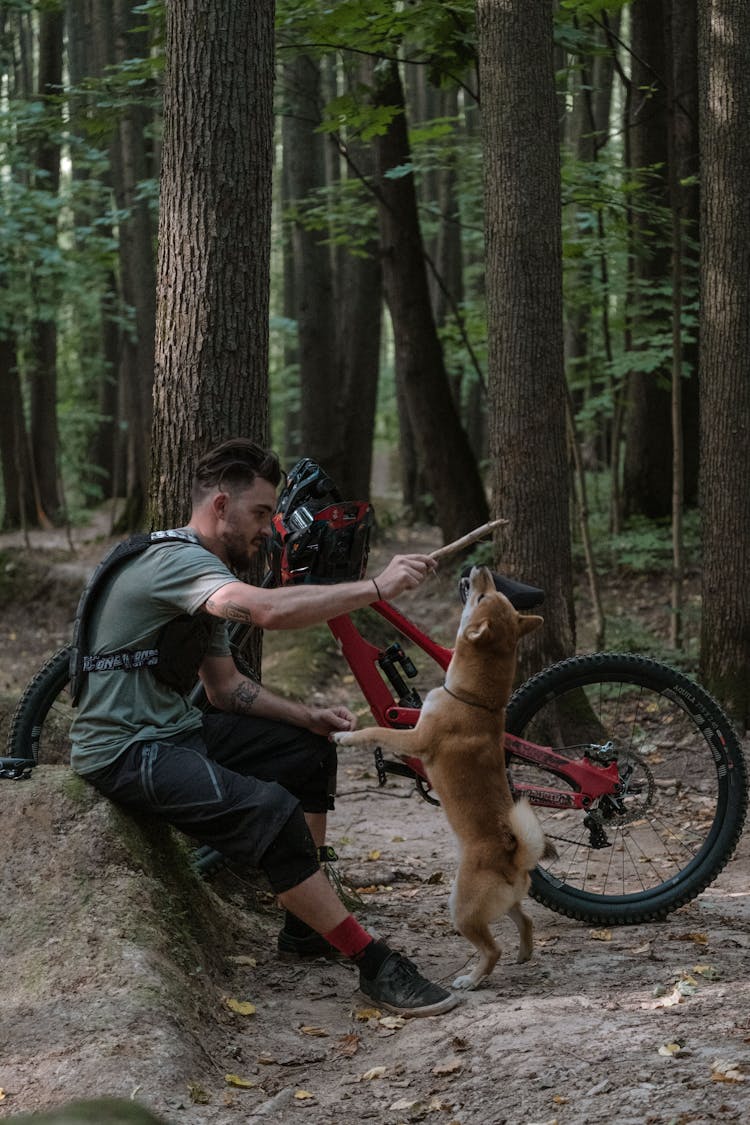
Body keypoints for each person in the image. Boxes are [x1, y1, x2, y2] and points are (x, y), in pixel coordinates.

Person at [70, 438, 458, 1018]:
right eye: (259, 514)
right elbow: (271, 612)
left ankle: (305, 930)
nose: (268, 529)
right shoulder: (178, 563)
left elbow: (226, 690)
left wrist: (309, 719)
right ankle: (373, 963)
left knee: (306, 750)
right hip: (126, 751)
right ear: (220, 506)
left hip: (177, 731)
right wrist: (377, 586)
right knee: (270, 811)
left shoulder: (208, 576)